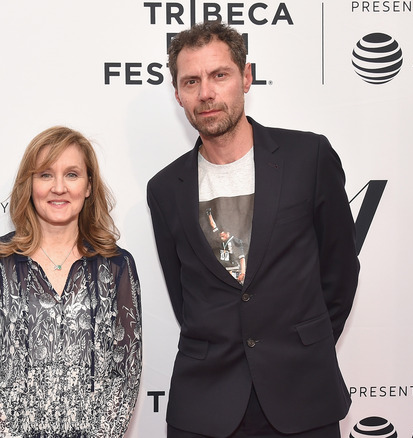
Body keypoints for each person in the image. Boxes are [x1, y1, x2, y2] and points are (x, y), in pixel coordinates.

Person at [147, 22, 360, 438]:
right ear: (178, 94)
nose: (206, 93)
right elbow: (183, 296)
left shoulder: (308, 157)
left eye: (219, 75)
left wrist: (301, 345)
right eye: (191, 81)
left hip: (302, 395)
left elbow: (340, 270)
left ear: (246, 77)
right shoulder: (165, 189)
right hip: (204, 405)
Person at [0, 126, 142, 437]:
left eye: (72, 174)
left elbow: (125, 375)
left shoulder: (116, 266)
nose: (58, 187)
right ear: (30, 185)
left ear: (88, 186)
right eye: (45, 174)